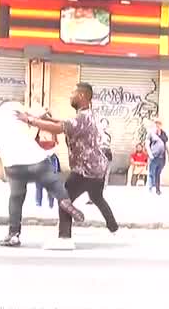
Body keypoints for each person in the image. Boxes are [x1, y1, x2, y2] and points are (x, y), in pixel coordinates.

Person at [16, 82, 119, 250]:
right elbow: (65, 123)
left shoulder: (82, 118)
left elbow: (59, 128)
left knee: (64, 199)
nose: (70, 96)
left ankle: (64, 238)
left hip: (85, 170)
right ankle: (114, 228)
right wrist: (45, 119)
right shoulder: (86, 115)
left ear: (82, 96)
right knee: (97, 198)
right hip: (97, 169)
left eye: (73, 93)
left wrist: (30, 120)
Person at [0, 101, 85, 248]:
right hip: (36, 159)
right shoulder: (15, 107)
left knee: (16, 197)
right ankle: (65, 201)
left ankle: (14, 235)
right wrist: (44, 115)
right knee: (54, 183)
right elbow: (36, 116)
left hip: (13, 165)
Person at [34, 116, 60, 209]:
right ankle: (38, 202)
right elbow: (34, 144)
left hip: (51, 158)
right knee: (39, 182)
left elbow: (56, 144)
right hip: (40, 158)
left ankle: (51, 202)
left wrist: (50, 153)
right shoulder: (38, 131)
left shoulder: (53, 131)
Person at [146, 120, 169, 195]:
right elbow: (147, 144)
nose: (157, 125)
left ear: (161, 125)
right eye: (156, 124)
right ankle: (149, 189)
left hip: (162, 158)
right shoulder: (151, 133)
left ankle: (157, 189)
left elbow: (166, 145)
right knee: (151, 173)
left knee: (158, 174)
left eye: (159, 124)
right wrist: (150, 154)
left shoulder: (163, 134)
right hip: (153, 156)